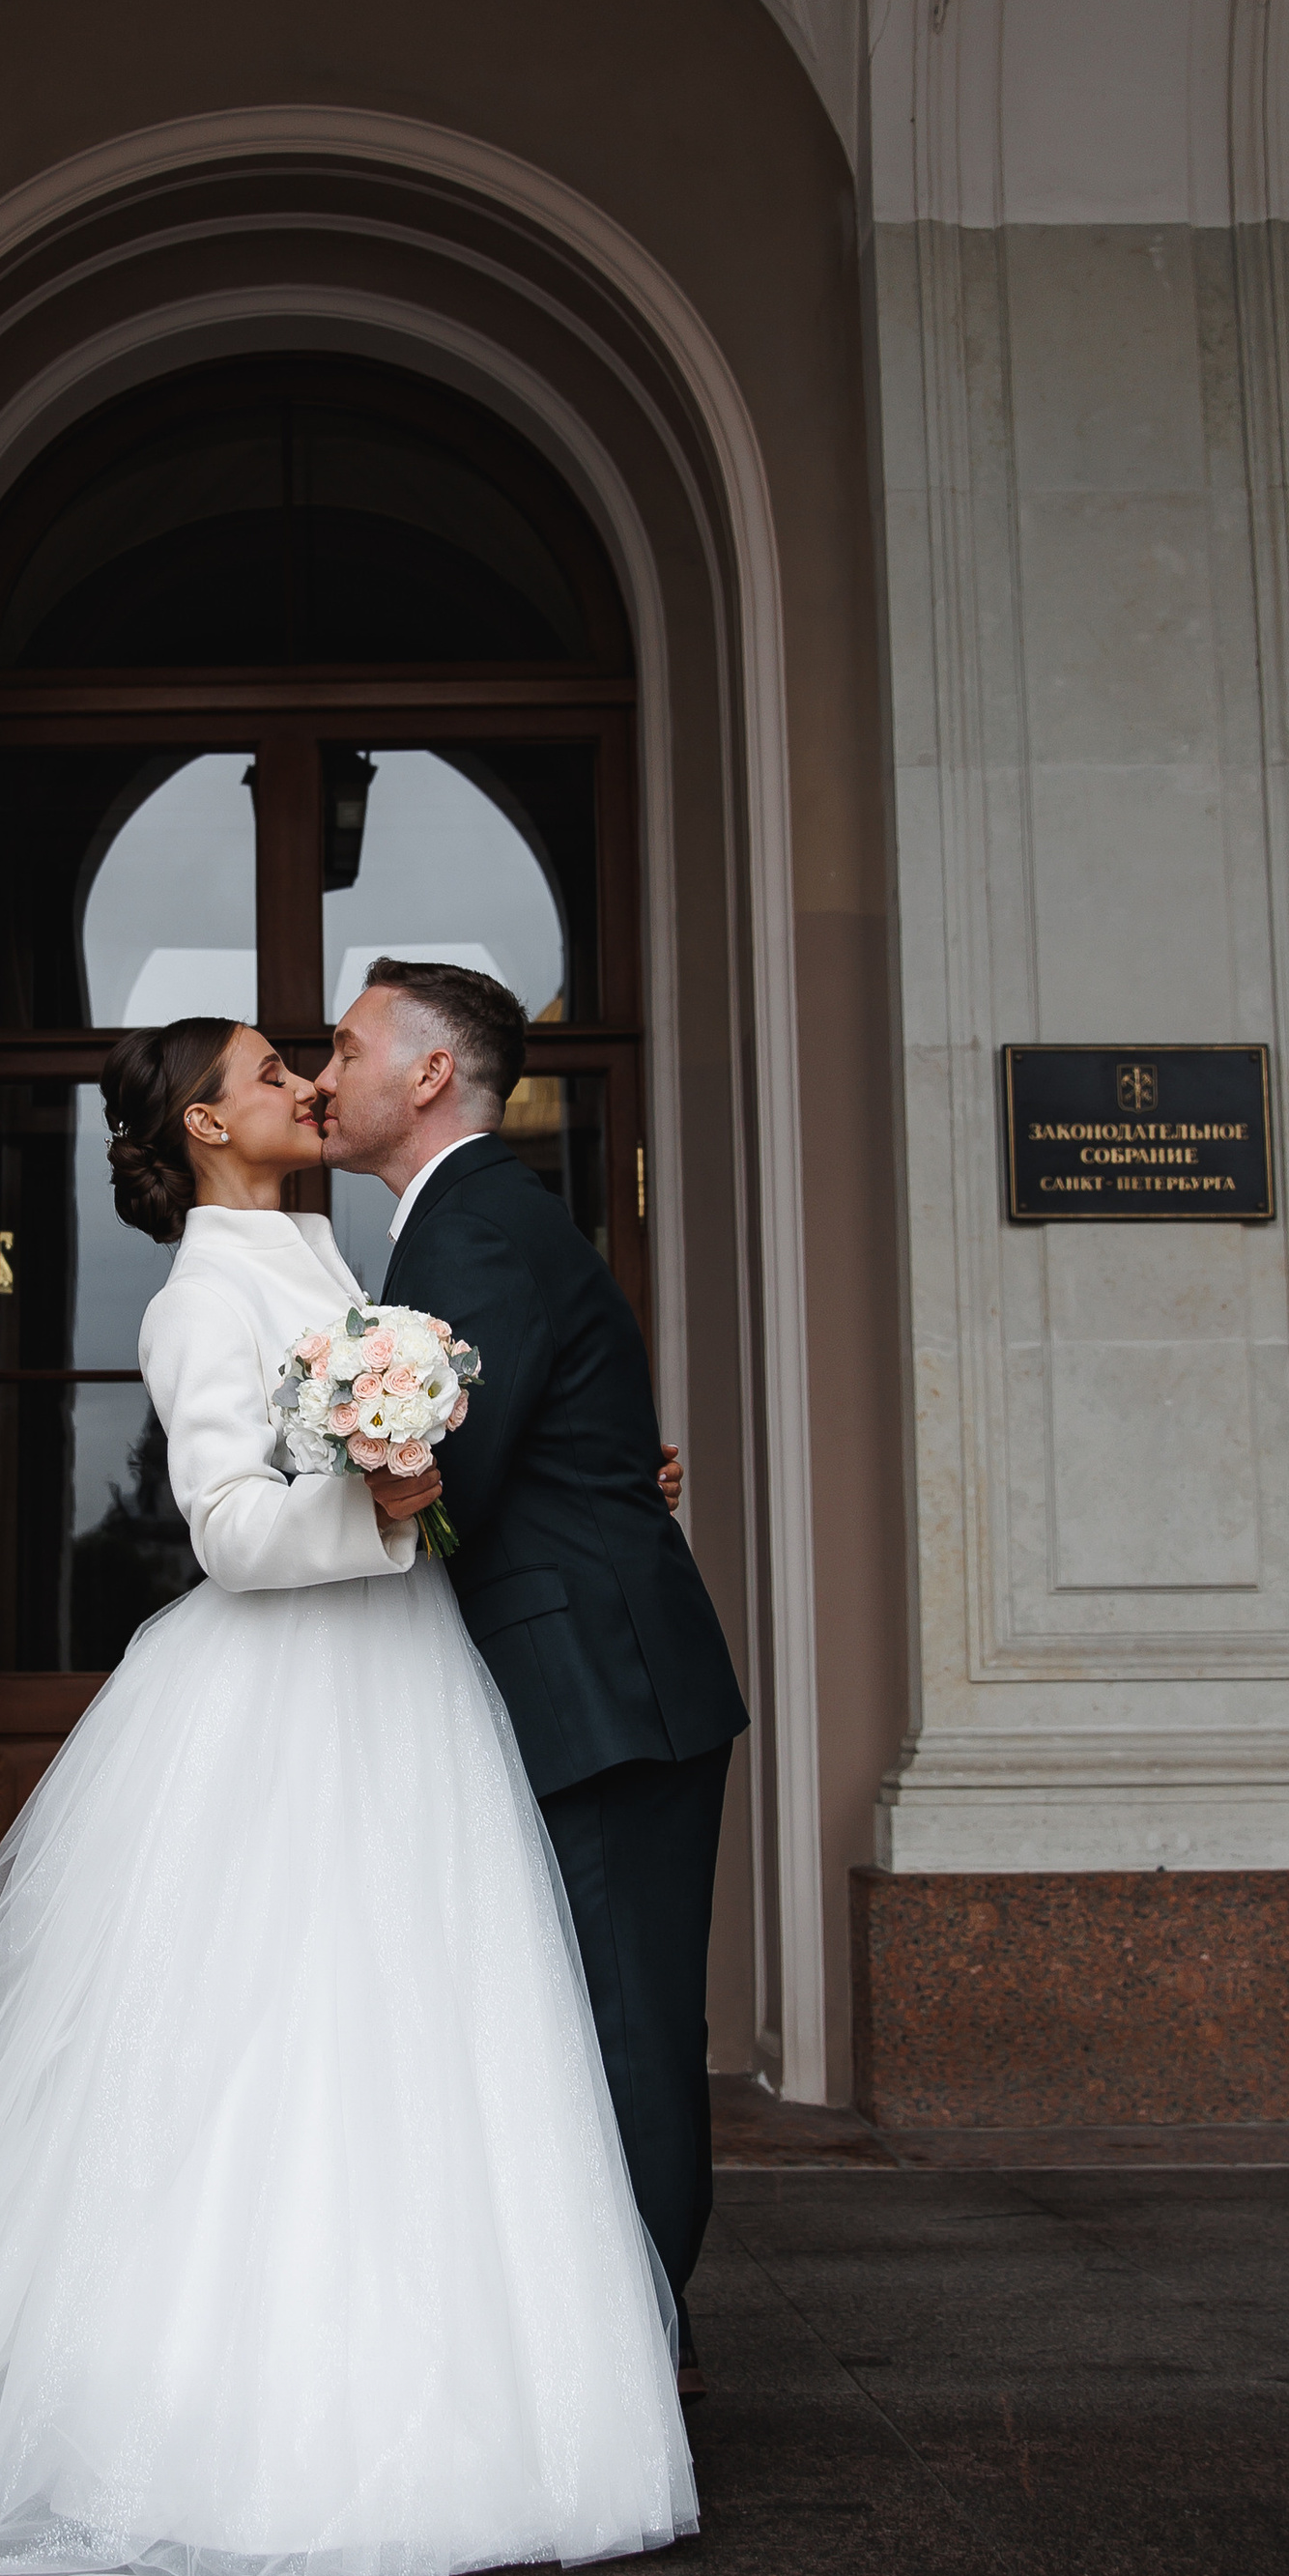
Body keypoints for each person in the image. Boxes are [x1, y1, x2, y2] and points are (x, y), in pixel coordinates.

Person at [0, 1016, 696, 2576]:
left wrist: (557, 1483)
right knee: (264, 2044)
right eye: (272, 1074)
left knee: (416, 2036)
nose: (306, 1087)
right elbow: (231, 1534)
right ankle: (225, 2409)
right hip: (294, 1700)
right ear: (204, 1127)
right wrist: (386, 1503)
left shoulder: (329, 1258)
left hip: (401, 1690)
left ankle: (432, 2389)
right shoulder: (203, 1297)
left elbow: (435, 1447)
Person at [316, 962, 748, 2398]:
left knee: (623, 2028)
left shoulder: (473, 1229)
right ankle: (609, 2348)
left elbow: (454, 1488)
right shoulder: (464, 1223)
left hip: (599, 1690)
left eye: (350, 1043)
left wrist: (285, 1501)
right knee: (589, 2021)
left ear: (430, 1074)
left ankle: (634, 2364)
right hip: (585, 1674)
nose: (329, 1072)